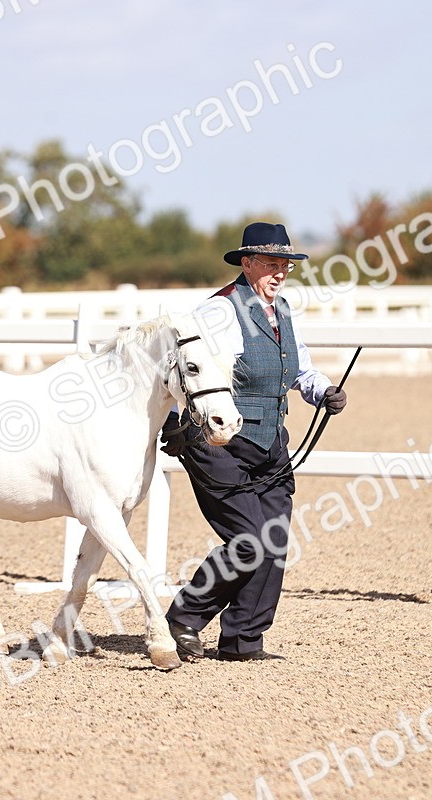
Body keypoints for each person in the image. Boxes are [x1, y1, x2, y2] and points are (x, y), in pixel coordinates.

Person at [161, 221, 347, 662]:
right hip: (218, 440)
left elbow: (300, 369)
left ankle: (243, 639)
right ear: (247, 264)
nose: (279, 272)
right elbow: (186, 368)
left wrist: (323, 391)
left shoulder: (283, 312)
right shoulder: (218, 312)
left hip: (270, 441)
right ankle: (183, 617)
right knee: (249, 539)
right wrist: (173, 423)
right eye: (270, 263)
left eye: (285, 264)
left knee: (275, 540)